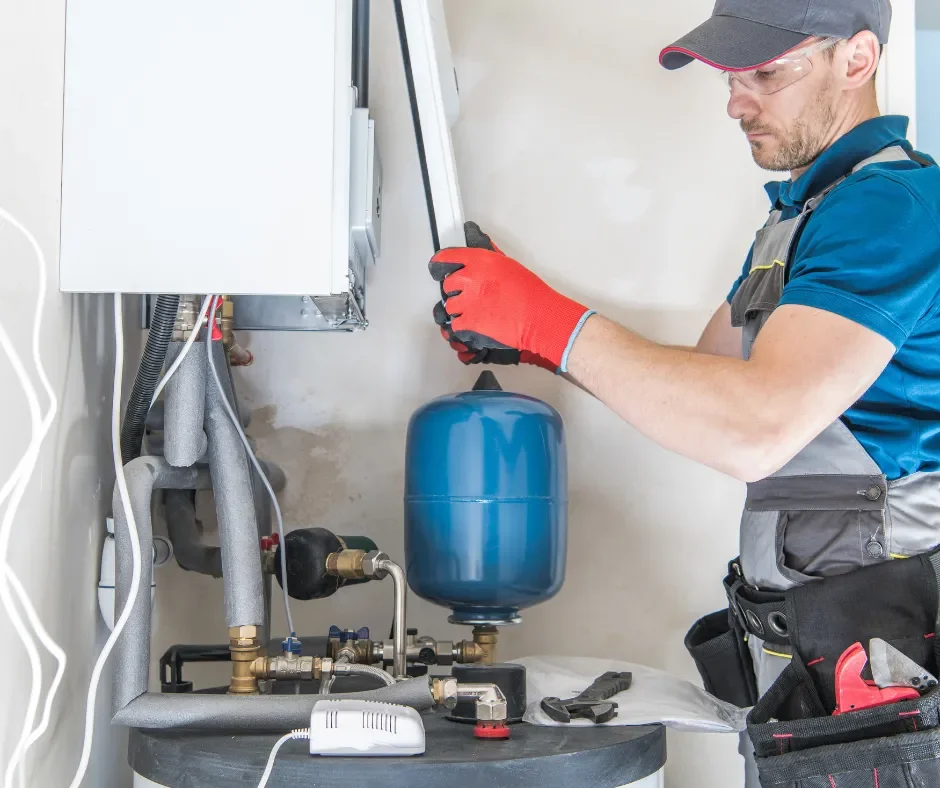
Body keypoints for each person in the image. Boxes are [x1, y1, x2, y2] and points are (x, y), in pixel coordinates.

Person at [428, 1, 940, 784]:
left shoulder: (889, 208)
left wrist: (554, 320)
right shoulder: (807, 215)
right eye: (729, 76)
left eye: (766, 72)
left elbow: (753, 427)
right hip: (825, 654)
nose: (736, 100)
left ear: (858, 58)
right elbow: (703, 391)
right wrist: (534, 343)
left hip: (888, 657)